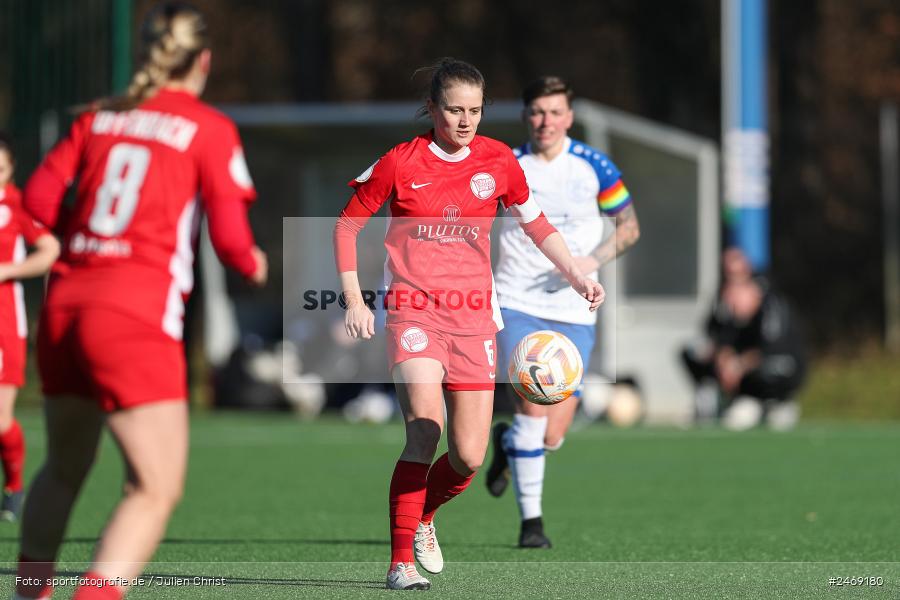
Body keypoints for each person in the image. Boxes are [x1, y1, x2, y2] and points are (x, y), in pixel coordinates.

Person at [13, 4, 267, 599]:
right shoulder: (208, 128)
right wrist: (255, 264)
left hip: (64, 309)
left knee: (64, 469)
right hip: (131, 317)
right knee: (152, 489)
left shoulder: (98, 117)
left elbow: (37, 204)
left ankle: (28, 593)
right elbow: (231, 244)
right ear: (204, 60)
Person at [333, 59, 604, 590]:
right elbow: (347, 225)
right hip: (414, 310)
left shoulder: (498, 161)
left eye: (475, 111)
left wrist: (574, 273)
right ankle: (399, 563)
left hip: (475, 318)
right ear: (432, 108)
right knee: (424, 430)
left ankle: (425, 517)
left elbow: (536, 223)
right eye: (454, 109)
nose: (464, 121)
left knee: (469, 456)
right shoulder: (400, 162)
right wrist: (353, 298)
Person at [484, 76, 641, 548]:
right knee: (534, 406)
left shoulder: (595, 166)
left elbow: (630, 228)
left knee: (552, 434)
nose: (545, 121)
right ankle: (532, 525)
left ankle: (507, 444)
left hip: (574, 310)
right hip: (516, 302)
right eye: (536, 111)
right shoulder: (505, 165)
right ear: (525, 116)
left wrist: (589, 264)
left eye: (555, 112)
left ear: (569, 118)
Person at [0, 136, 61, 522]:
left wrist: (8, 271)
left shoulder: (17, 205)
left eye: (0, 170)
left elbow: (50, 250)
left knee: (0, 420)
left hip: (5, 322)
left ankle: (14, 486)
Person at [681, 247, 806, 430]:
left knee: (768, 368)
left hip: (779, 367)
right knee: (694, 352)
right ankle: (719, 401)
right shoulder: (724, 300)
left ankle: (775, 404)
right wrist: (724, 359)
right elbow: (717, 336)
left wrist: (738, 365)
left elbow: (769, 348)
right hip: (740, 370)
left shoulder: (770, 304)